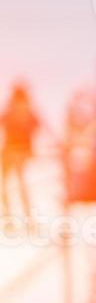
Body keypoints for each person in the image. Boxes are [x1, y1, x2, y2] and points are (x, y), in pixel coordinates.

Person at [2, 81, 38, 217]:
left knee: (7, 185)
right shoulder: (28, 112)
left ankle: (8, 215)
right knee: (20, 184)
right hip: (20, 152)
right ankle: (26, 215)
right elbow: (38, 127)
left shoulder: (10, 110)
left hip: (10, 152)